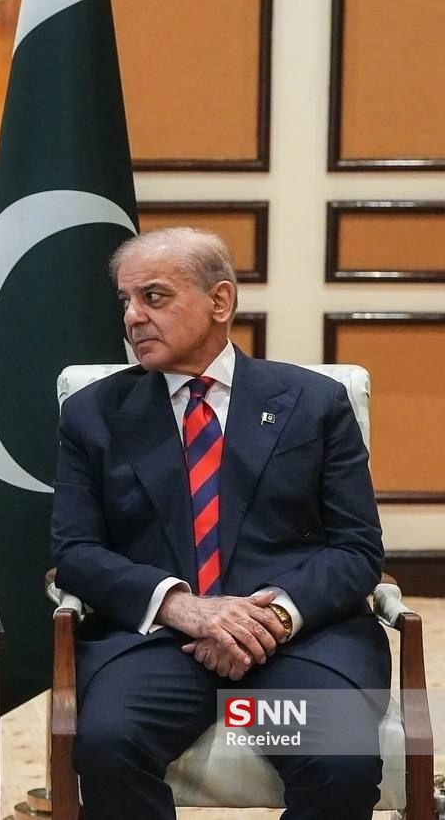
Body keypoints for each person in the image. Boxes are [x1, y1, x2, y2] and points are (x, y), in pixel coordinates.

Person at [50, 227, 389, 820]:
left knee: (340, 762)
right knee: (109, 746)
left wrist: (272, 618)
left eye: (154, 297)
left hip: (298, 644)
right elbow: (75, 551)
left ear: (220, 300)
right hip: (156, 644)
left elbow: (357, 550)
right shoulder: (93, 413)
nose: (132, 317)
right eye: (126, 300)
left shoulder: (314, 402)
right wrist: (185, 608)